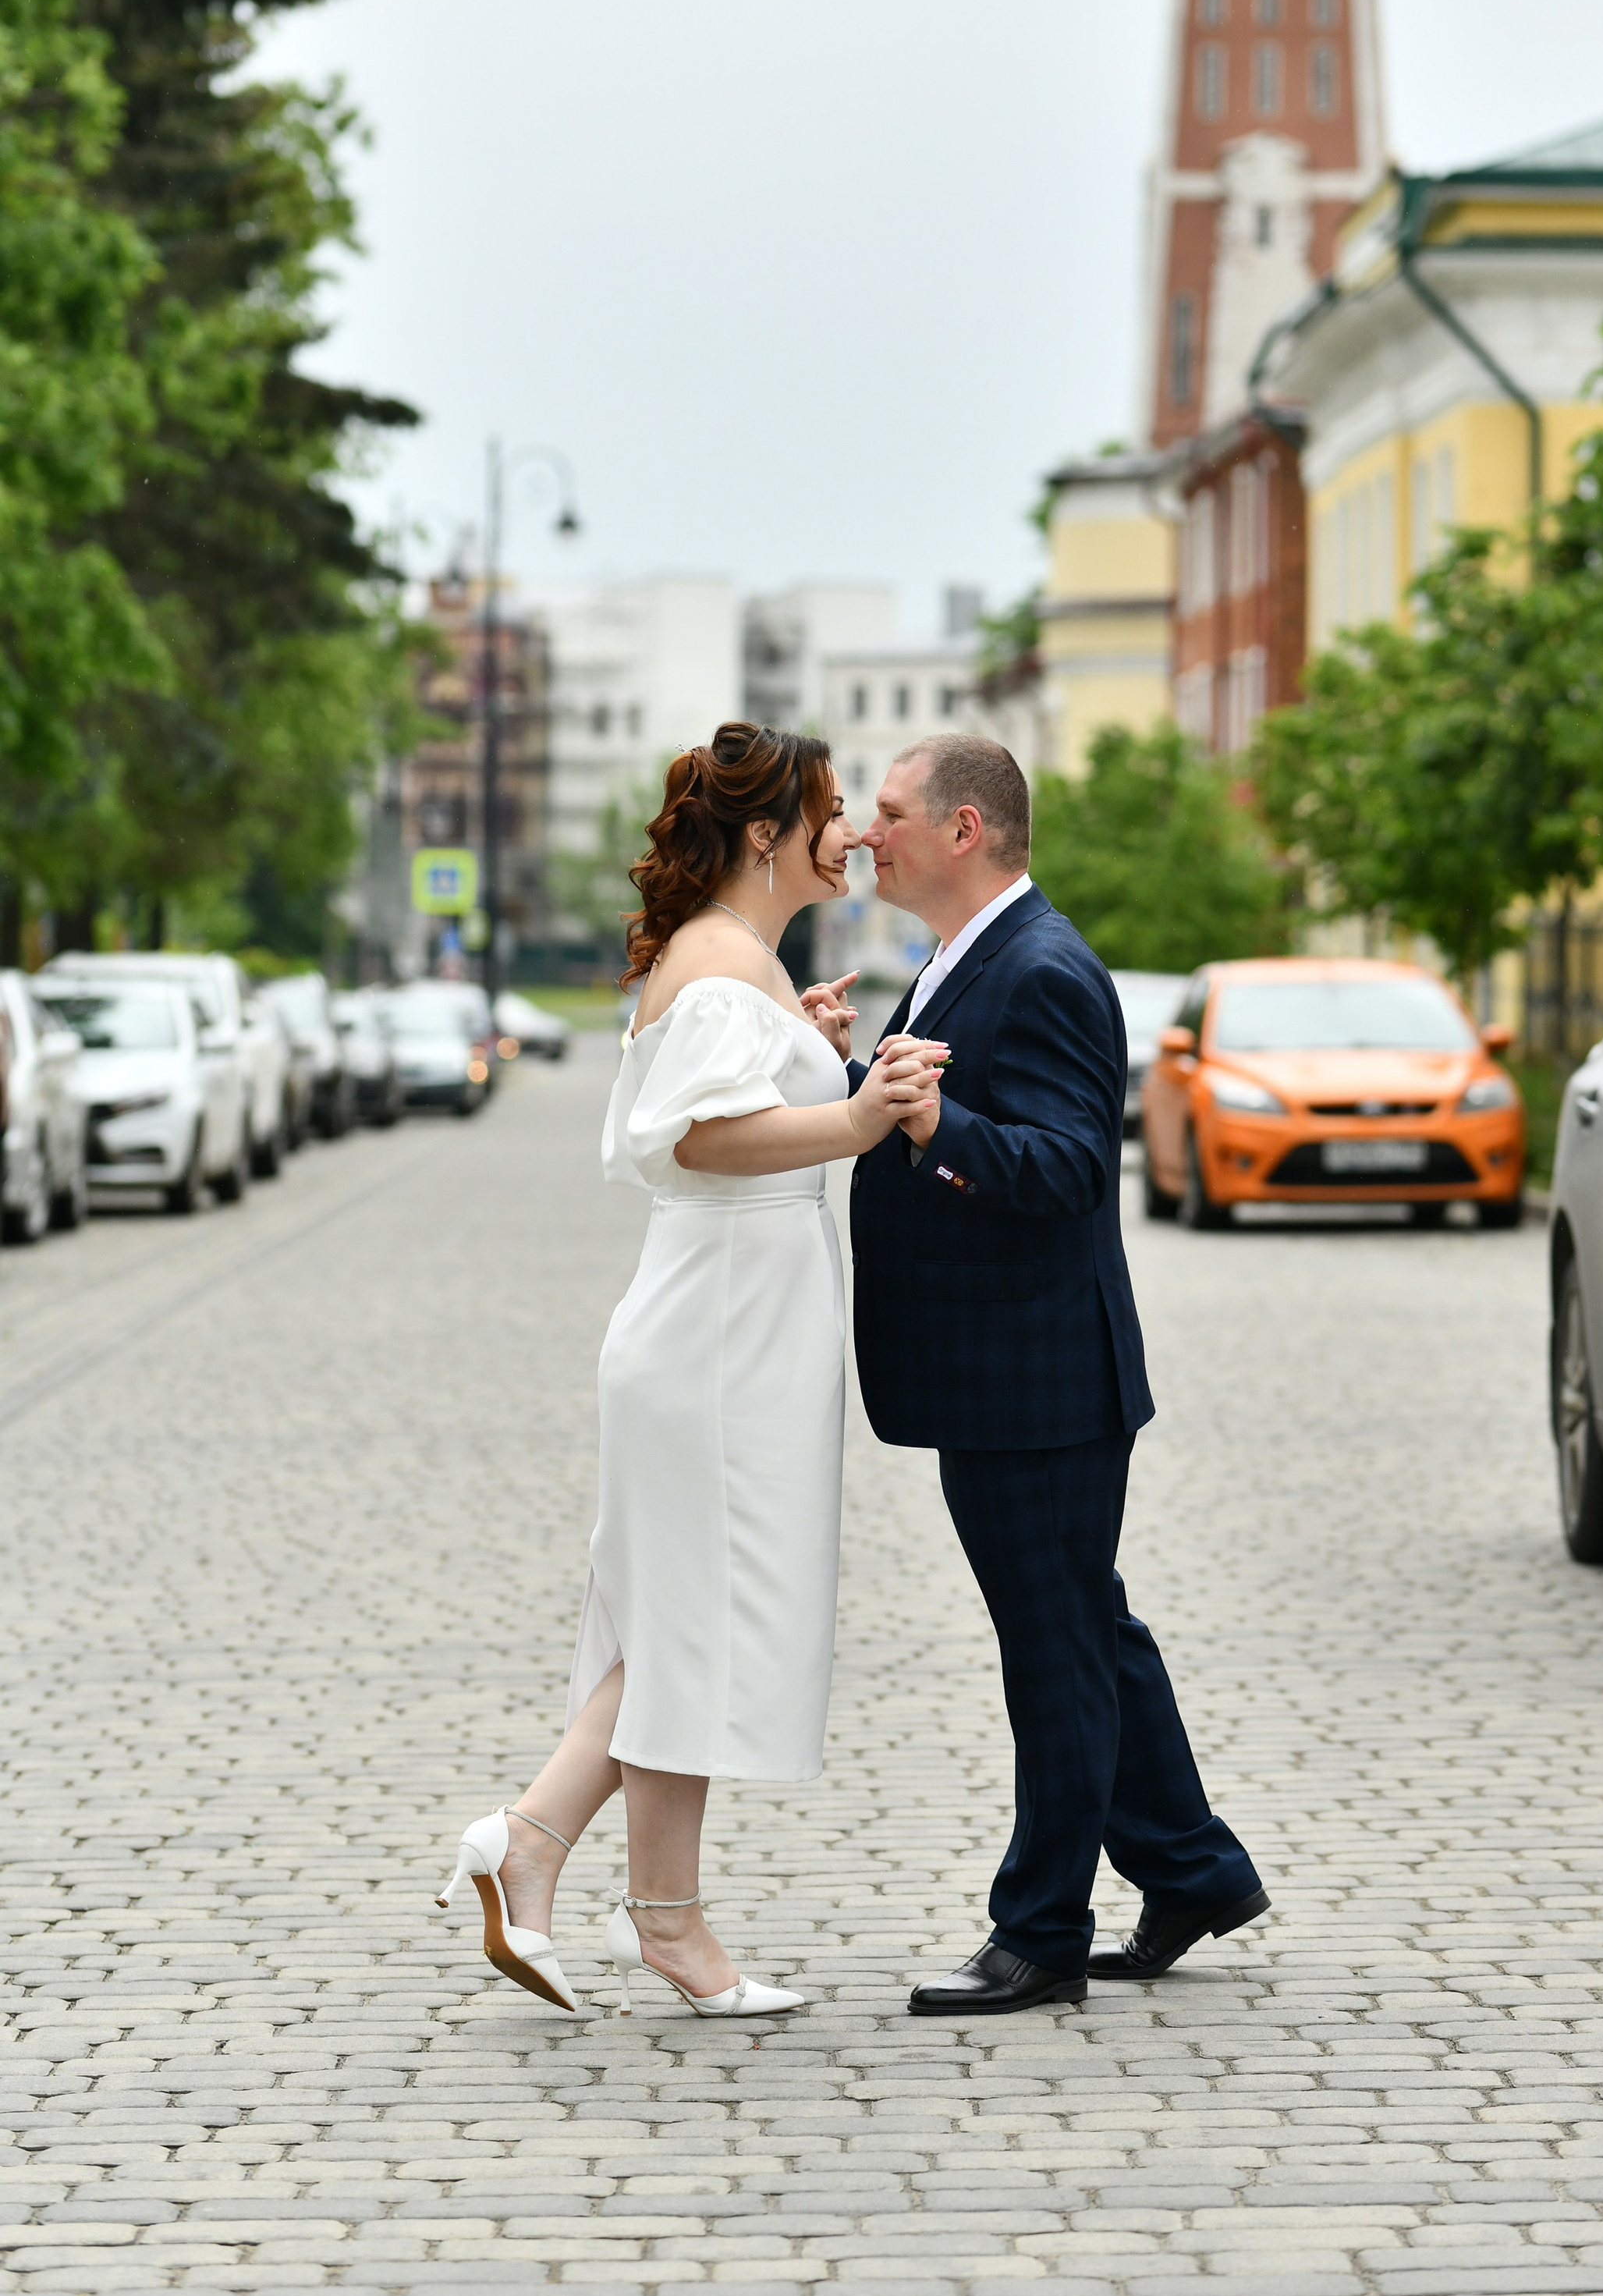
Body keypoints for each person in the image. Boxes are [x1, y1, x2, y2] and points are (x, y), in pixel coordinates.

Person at [435, 723, 944, 2020]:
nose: (852, 834)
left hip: (729, 1318)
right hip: (724, 1330)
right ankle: (571, 1862)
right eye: (834, 809)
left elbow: (719, 1101)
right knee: (695, 1622)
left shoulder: (731, 960)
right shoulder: (722, 964)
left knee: (683, 1620)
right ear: (769, 833)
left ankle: (617, 1890)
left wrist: (803, 1043)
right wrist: (856, 1115)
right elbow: (703, 1141)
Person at [853, 734, 1267, 2015]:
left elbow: (1075, 1166)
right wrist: (852, 1076)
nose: (868, 834)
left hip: (1038, 1379)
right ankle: (1193, 1871)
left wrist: (939, 1124)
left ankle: (1039, 1932)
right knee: (1085, 1629)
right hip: (996, 1371)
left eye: (891, 812)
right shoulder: (960, 957)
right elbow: (933, 1106)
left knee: (1057, 1652)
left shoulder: (1044, 968)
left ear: (964, 829)